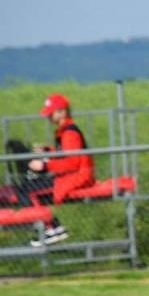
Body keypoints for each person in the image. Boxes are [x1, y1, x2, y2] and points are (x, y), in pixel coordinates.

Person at [26, 92, 95, 245]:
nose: (48, 117)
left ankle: (51, 228)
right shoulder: (64, 130)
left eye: (51, 114)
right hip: (74, 176)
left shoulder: (69, 132)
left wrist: (44, 166)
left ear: (62, 112)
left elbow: (72, 163)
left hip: (77, 177)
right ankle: (52, 226)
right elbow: (65, 152)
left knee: (28, 190)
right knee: (30, 188)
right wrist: (48, 151)